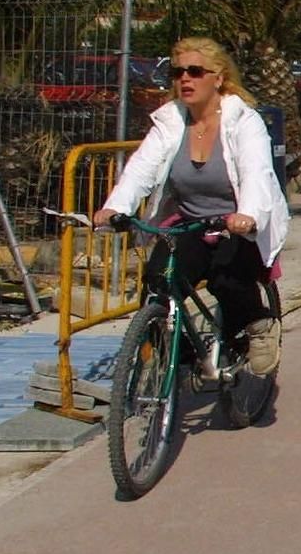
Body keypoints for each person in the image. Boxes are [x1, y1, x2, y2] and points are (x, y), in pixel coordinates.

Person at [96, 36, 288, 376]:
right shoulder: (171, 121)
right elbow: (141, 168)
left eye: (195, 71)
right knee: (158, 280)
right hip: (191, 222)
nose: (185, 78)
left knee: (227, 280)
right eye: (178, 72)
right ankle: (179, 351)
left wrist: (247, 216)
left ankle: (260, 326)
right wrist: (115, 207)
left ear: (218, 77)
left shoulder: (243, 121)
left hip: (236, 224)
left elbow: (256, 172)